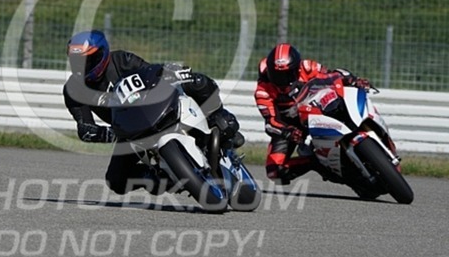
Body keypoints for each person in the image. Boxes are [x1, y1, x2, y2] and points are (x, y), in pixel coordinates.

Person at [63, 30, 244, 195]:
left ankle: (220, 117)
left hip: (156, 108)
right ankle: (161, 177)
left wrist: (171, 72)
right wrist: (108, 133)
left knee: (196, 82)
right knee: (116, 180)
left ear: (102, 54)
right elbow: (85, 129)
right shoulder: (73, 90)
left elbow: (152, 73)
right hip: (129, 132)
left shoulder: (122, 60)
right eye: (76, 62)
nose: (82, 67)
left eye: (88, 60)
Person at [254, 43, 371, 185]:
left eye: (287, 74)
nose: (282, 80)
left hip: (319, 109)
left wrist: (353, 80)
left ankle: (366, 127)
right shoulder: (262, 91)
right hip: (291, 126)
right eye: (276, 75)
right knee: (275, 172)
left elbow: (333, 76)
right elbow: (271, 121)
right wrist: (287, 131)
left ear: (296, 68)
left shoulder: (307, 67)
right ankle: (316, 161)